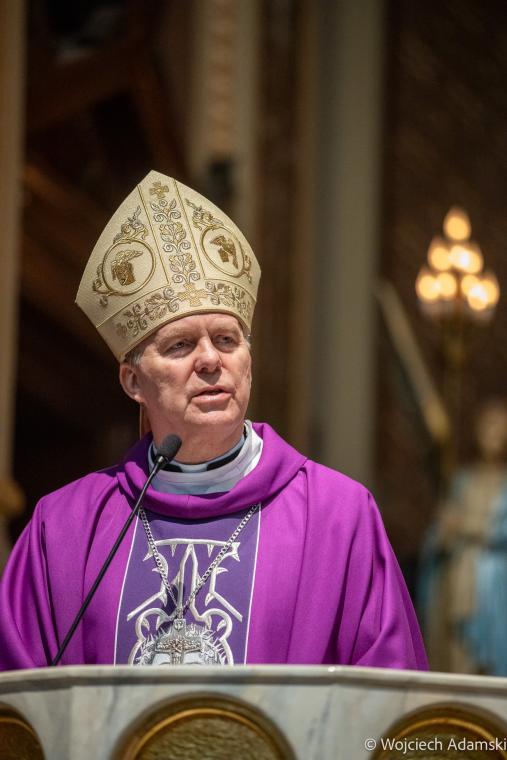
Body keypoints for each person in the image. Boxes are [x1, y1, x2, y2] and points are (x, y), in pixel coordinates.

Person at [0, 171, 427, 670]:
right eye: (180, 345)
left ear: (248, 359)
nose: (209, 360)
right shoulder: (64, 528)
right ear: (133, 381)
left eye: (226, 340)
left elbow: (389, 695)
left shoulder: (338, 518)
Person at [419, 399, 507, 675]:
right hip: (459, 576)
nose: (492, 433)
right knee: (457, 649)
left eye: (499, 427)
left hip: (494, 581)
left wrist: (472, 528)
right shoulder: (463, 481)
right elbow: (440, 534)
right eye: (487, 426)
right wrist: (444, 533)